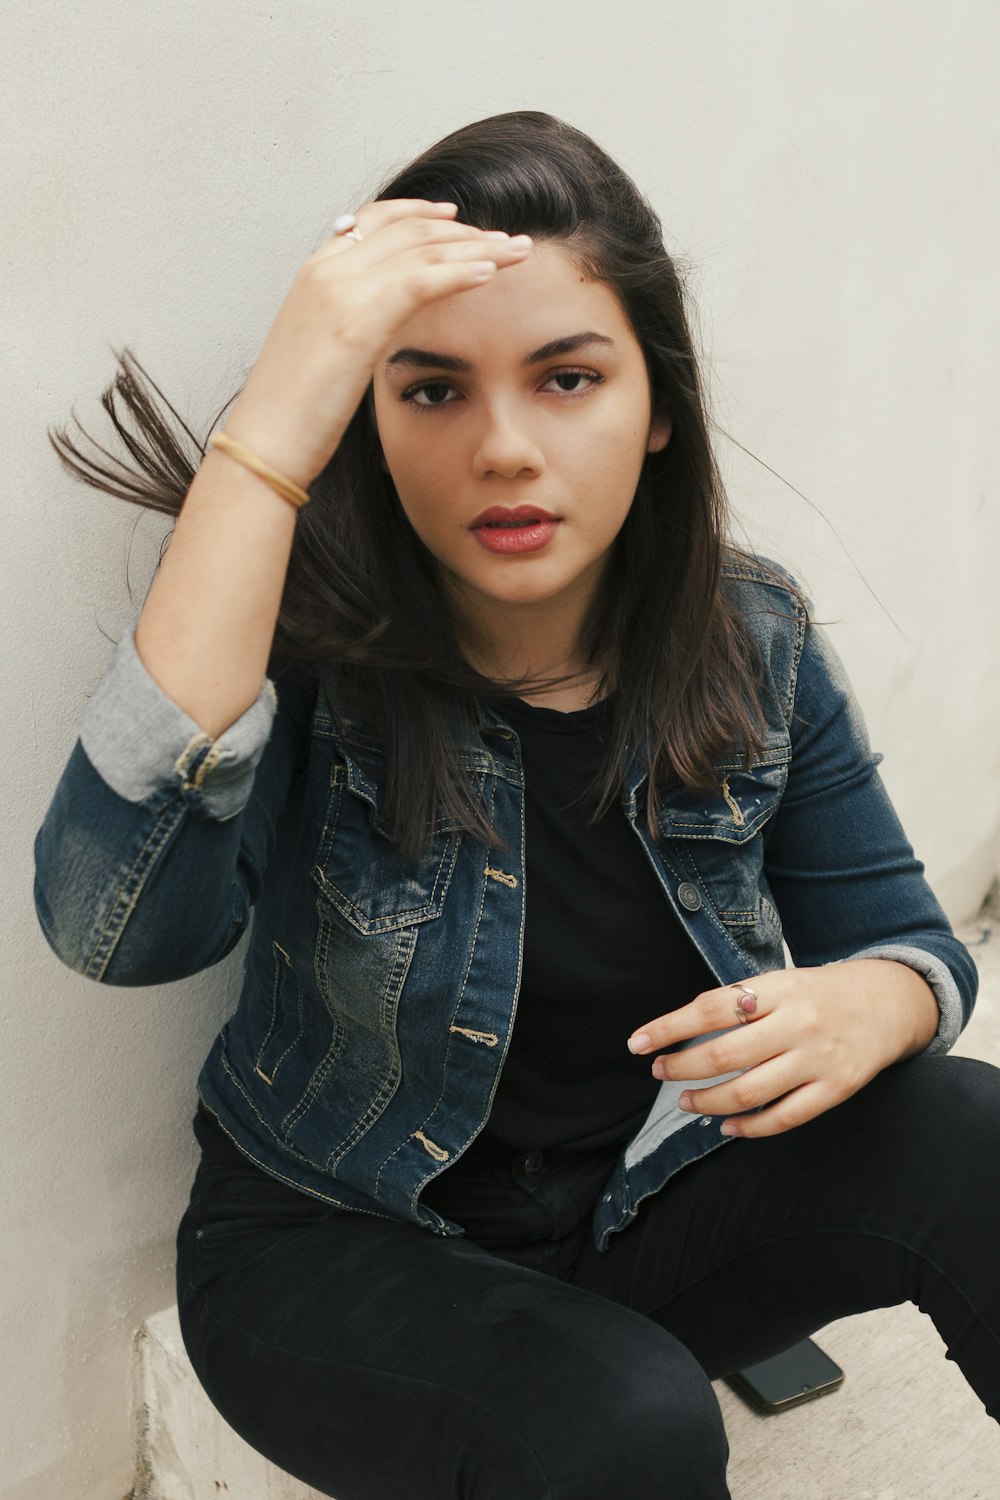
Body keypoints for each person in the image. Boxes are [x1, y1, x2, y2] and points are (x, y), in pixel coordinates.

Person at [34, 111, 999, 1500]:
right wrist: (274, 432)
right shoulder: (295, 655)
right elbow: (108, 931)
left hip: (640, 1212)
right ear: (364, 416)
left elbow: (909, 943)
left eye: (566, 378)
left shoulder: (752, 638)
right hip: (333, 1252)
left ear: (655, 404)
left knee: (975, 1137)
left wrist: (878, 1002)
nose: (503, 448)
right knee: (628, 1420)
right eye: (429, 390)